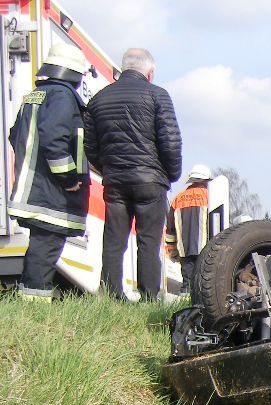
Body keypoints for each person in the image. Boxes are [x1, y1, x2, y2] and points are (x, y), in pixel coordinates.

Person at [84, 47, 182, 299]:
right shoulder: (158, 95)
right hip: (150, 181)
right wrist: (170, 174)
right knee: (148, 241)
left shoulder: (99, 99)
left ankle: (111, 294)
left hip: (115, 181)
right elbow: (170, 141)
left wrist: (108, 169)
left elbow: (90, 147)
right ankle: (148, 296)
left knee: (114, 240)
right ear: (149, 73)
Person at [7, 43, 91, 302]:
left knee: (40, 248)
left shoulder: (37, 95)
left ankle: (32, 300)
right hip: (49, 192)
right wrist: (68, 178)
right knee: (45, 250)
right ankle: (35, 306)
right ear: (74, 73)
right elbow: (55, 140)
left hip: (34, 188)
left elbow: (14, 136)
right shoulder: (61, 96)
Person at [165, 163, 213, 293]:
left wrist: (172, 250)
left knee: (187, 284)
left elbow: (170, 228)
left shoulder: (177, 199)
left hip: (183, 250)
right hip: (205, 249)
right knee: (203, 285)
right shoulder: (210, 197)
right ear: (205, 180)